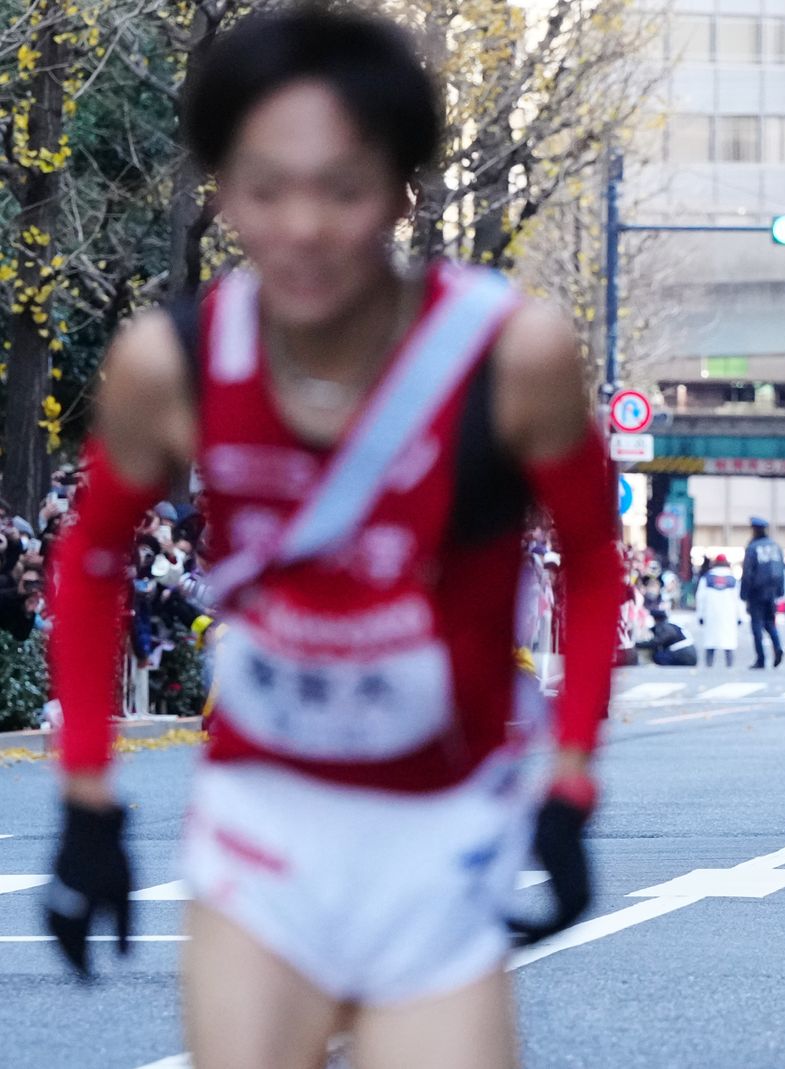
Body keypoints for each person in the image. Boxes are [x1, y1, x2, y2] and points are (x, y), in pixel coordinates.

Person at [44, 7, 621, 1068]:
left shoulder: (511, 355)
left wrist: (573, 777)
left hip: (440, 837)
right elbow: (90, 559)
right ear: (222, 190)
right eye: (264, 189)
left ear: (404, 189)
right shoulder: (168, 363)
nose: (302, 227)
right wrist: (87, 797)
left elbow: (591, 559)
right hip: (264, 834)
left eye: (342, 189)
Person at [740, 516, 785, 668]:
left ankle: (761, 659)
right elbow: (781, 570)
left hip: (756, 592)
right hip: (772, 592)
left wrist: (743, 593)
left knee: (756, 626)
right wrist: (780, 590)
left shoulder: (753, 548)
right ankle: (777, 647)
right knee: (770, 623)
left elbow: (747, 572)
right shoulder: (775, 547)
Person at [696, 553, 741, 667]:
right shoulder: (732, 579)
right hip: (728, 615)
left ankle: (709, 664)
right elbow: (738, 600)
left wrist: (700, 615)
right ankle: (729, 664)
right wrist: (740, 616)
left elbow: (700, 598)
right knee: (728, 641)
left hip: (711, 614)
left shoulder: (707, 578)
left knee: (710, 640)